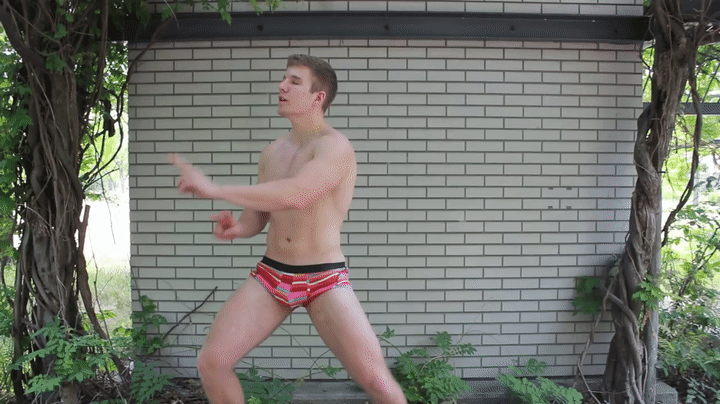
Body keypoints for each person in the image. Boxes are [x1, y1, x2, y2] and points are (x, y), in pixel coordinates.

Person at [168, 54, 407, 404]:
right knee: (212, 362)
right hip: (273, 274)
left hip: (324, 277)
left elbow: (297, 194)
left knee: (378, 383)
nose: (281, 86)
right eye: (283, 79)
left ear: (317, 97)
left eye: (294, 81)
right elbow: (259, 216)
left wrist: (215, 188)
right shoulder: (271, 153)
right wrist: (237, 228)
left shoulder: (335, 147)